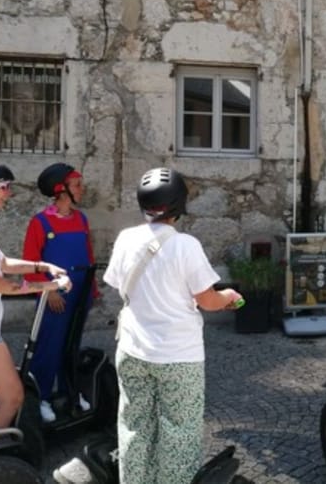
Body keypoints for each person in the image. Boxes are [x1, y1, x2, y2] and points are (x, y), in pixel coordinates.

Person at [103, 167, 244, 484]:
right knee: (178, 432)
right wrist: (229, 296)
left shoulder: (126, 238)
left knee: (135, 427)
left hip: (133, 350)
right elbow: (208, 300)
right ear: (179, 206)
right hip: (178, 355)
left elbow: (117, 285)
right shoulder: (185, 246)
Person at [0, 159, 70, 433]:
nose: (8, 193)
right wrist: (50, 286)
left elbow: (3, 263)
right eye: (3, 187)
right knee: (12, 398)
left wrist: (43, 267)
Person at [22, 163, 97, 422]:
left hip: (79, 296)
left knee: (71, 346)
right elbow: (30, 263)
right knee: (48, 347)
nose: (82, 188)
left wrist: (91, 291)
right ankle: (41, 397)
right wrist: (48, 291)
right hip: (54, 298)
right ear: (60, 189)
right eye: (77, 184)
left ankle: (71, 392)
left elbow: (88, 256)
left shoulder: (81, 219)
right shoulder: (41, 222)